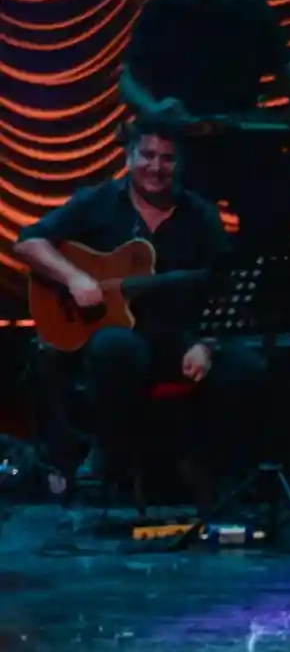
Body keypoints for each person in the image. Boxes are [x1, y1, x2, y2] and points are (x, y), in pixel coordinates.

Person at [16, 122, 267, 493]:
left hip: (180, 340)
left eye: (167, 158)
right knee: (116, 348)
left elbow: (224, 291)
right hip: (113, 335)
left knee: (248, 367)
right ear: (129, 156)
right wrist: (74, 278)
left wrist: (206, 344)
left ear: (180, 164)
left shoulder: (200, 215)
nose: (156, 167)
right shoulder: (98, 201)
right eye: (147, 155)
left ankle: (213, 474)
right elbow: (28, 244)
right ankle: (111, 463)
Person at [120, 0, 290, 254]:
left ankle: (252, 269)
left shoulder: (251, 12)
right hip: (181, 148)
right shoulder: (163, 12)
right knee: (176, 214)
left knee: (287, 182)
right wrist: (154, 110)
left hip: (241, 143)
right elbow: (129, 82)